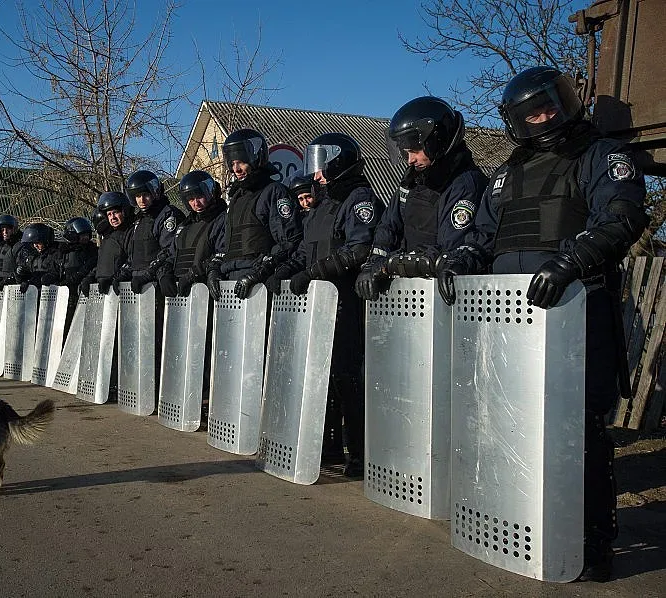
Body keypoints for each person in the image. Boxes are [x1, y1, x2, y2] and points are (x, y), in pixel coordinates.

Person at [434, 66, 648, 582]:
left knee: (580, 431)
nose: (546, 115)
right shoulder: (507, 174)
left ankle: (593, 542)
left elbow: (622, 215)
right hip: (509, 323)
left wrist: (572, 261)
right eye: (534, 111)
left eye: (552, 104)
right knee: (508, 423)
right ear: (517, 121)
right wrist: (460, 258)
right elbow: (481, 235)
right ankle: (515, 523)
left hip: (575, 311)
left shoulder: (599, 156)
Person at [264, 132, 382, 476]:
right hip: (319, 305)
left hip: (347, 302)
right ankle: (327, 445)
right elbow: (303, 250)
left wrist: (315, 272)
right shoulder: (322, 205)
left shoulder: (359, 199)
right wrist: (283, 272)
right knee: (323, 377)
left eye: (321, 167)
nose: (316, 175)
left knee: (349, 379)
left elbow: (359, 248)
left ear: (339, 163)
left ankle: (359, 454)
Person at [355, 96, 489, 300]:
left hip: (442, 293)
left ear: (437, 141)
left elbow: (450, 245)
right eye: (406, 152)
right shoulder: (413, 180)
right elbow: (388, 226)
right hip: (409, 290)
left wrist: (391, 263)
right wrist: (374, 261)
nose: (410, 160)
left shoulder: (465, 183)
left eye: (415, 151)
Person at [206, 128, 303, 300]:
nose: (236, 169)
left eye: (241, 162)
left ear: (256, 158)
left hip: (258, 286)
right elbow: (224, 245)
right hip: (229, 283)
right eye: (232, 163)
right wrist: (213, 270)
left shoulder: (273, 192)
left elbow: (289, 242)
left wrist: (261, 271)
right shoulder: (235, 199)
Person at [158, 170, 227, 296]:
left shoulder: (221, 220)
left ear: (210, 193)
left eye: (200, 196)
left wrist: (193, 274)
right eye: (190, 199)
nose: (196, 203)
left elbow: (223, 252)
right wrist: (164, 272)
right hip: (181, 295)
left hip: (207, 292)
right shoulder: (185, 226)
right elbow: (173, 253)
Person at [124, 170, 185, 295]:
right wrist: (124, 272)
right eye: (137, 196)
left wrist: (149, 274)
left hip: (157, 282)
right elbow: (134, 254)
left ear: (154, 193)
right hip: (138, 282)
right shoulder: (139, 220)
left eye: (145, 195)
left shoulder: (167, 214)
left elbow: (169, 249)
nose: (142, 200)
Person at [81, 192, 135, 296]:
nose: (112, 217)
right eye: (109, 214)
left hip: (122, 291)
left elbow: (133, 260)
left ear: (124, 211)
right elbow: (103, 263)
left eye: (115, 213)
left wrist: (118, 277)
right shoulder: (107, 237)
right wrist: (90, 277)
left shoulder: (131, 233)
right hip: (103, 293)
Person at [15, 223, 62, 291]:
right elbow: (29, 274)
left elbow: (54, 275)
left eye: (38, 243)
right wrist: (20, 274)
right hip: (34, 295)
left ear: (45, 241)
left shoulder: (55, 255)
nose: (35, 246)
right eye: (33, 243)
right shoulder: (32, 257)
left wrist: (35, 281)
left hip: (50, 294)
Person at [60, 217, 98, 287]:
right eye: (82, 235)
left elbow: (93, 267)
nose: (86, 238)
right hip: (65, 290)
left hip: (84, 287)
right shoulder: (63, 252)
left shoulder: (92, 251)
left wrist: (79, 275)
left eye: (87, 235)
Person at [0, 214, 25, 290]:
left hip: (14, 289)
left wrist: (8, 280)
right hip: (1, 290)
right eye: (2, 230)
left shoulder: (18, 246)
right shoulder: (0, 248)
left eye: (8, 229)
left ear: (14, 229)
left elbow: (21, 270)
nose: (5, 232)